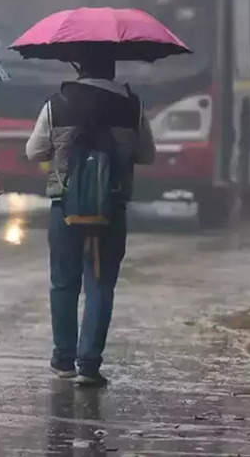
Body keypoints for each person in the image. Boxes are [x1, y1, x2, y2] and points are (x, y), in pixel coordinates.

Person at [25, 54, 155, 387]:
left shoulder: (57, 103)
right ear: (112, 68)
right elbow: (147, 155)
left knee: (64, 283)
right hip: (111, 209)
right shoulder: (132, 106)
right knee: (100, 285)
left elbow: (34, 152)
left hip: (66, 207)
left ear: (78, 67)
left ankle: (63, 359)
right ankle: (89, 365)